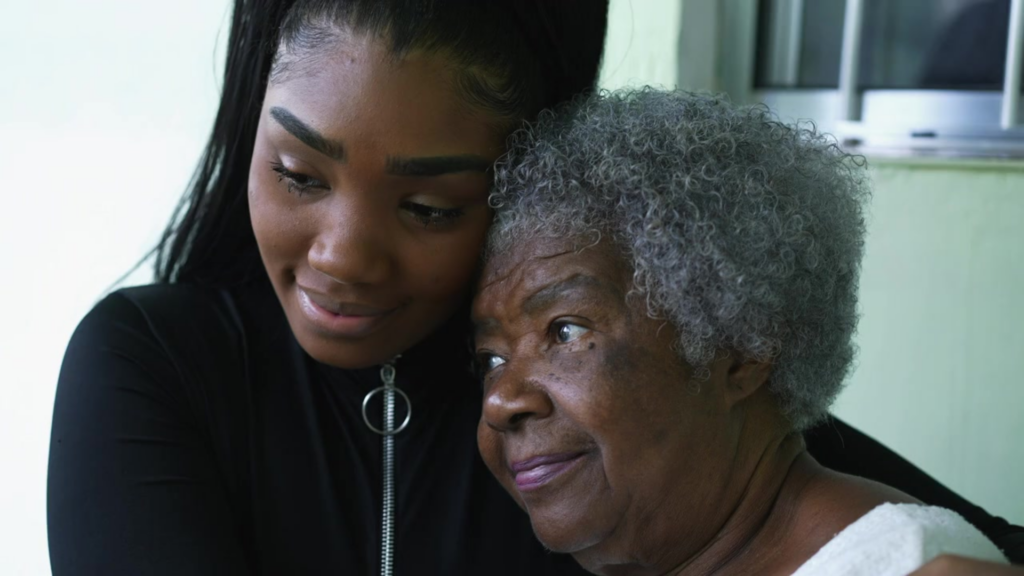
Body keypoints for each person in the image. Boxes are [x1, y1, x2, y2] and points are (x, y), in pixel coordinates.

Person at [46, 1, 1022, 574]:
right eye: (298, 175)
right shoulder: (155, 365)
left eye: (428, 205)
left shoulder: (608, 413)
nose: (343, 256)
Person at [473, 89, 1015, 575]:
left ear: (743, 347)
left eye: (565, 330)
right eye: (491, 358)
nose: (500, 400)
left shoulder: (899, 563)